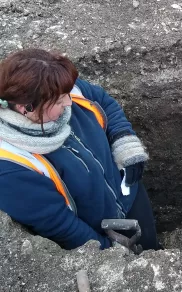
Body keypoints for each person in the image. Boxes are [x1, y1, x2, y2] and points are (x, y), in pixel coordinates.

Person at [0, 48, 159, 251]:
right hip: (96, 228)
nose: (69, 102)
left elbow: (103, 101)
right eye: (59, 101)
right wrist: (106, 251)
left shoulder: (60, 90)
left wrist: (125, 143)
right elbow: (60, 225)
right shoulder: (9, 166)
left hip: (128, 193)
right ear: (26, 108)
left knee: (151, 247)